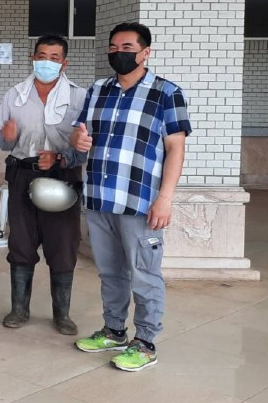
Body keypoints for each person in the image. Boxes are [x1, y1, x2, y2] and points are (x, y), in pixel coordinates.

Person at [70, 22, 191, 372]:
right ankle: (114, 330)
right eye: (113, 47)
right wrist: (77, 141)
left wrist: (165, 198)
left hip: (140, 201)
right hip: (99, 197)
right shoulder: (97, 90)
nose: (118, 53)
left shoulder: (167, 93)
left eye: (127, 47)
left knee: (144, 273)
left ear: (145, 52)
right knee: (110, 272)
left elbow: (176, 148)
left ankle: (146, 342)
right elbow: (80, 136)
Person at [0, 35, 87, 334]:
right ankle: (19, 309)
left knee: (63, 244)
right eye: (42, 56)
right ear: (32, 58)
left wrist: (63, 157)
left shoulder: (80, 97)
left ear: (64, 63)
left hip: (63, 176)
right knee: (21, 242)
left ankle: (62, 314)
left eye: (54, 57)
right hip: (23, 174)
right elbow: (1, 141)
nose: (47, 62)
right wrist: (6, 136)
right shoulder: (15, 95)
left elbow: (88, 146)